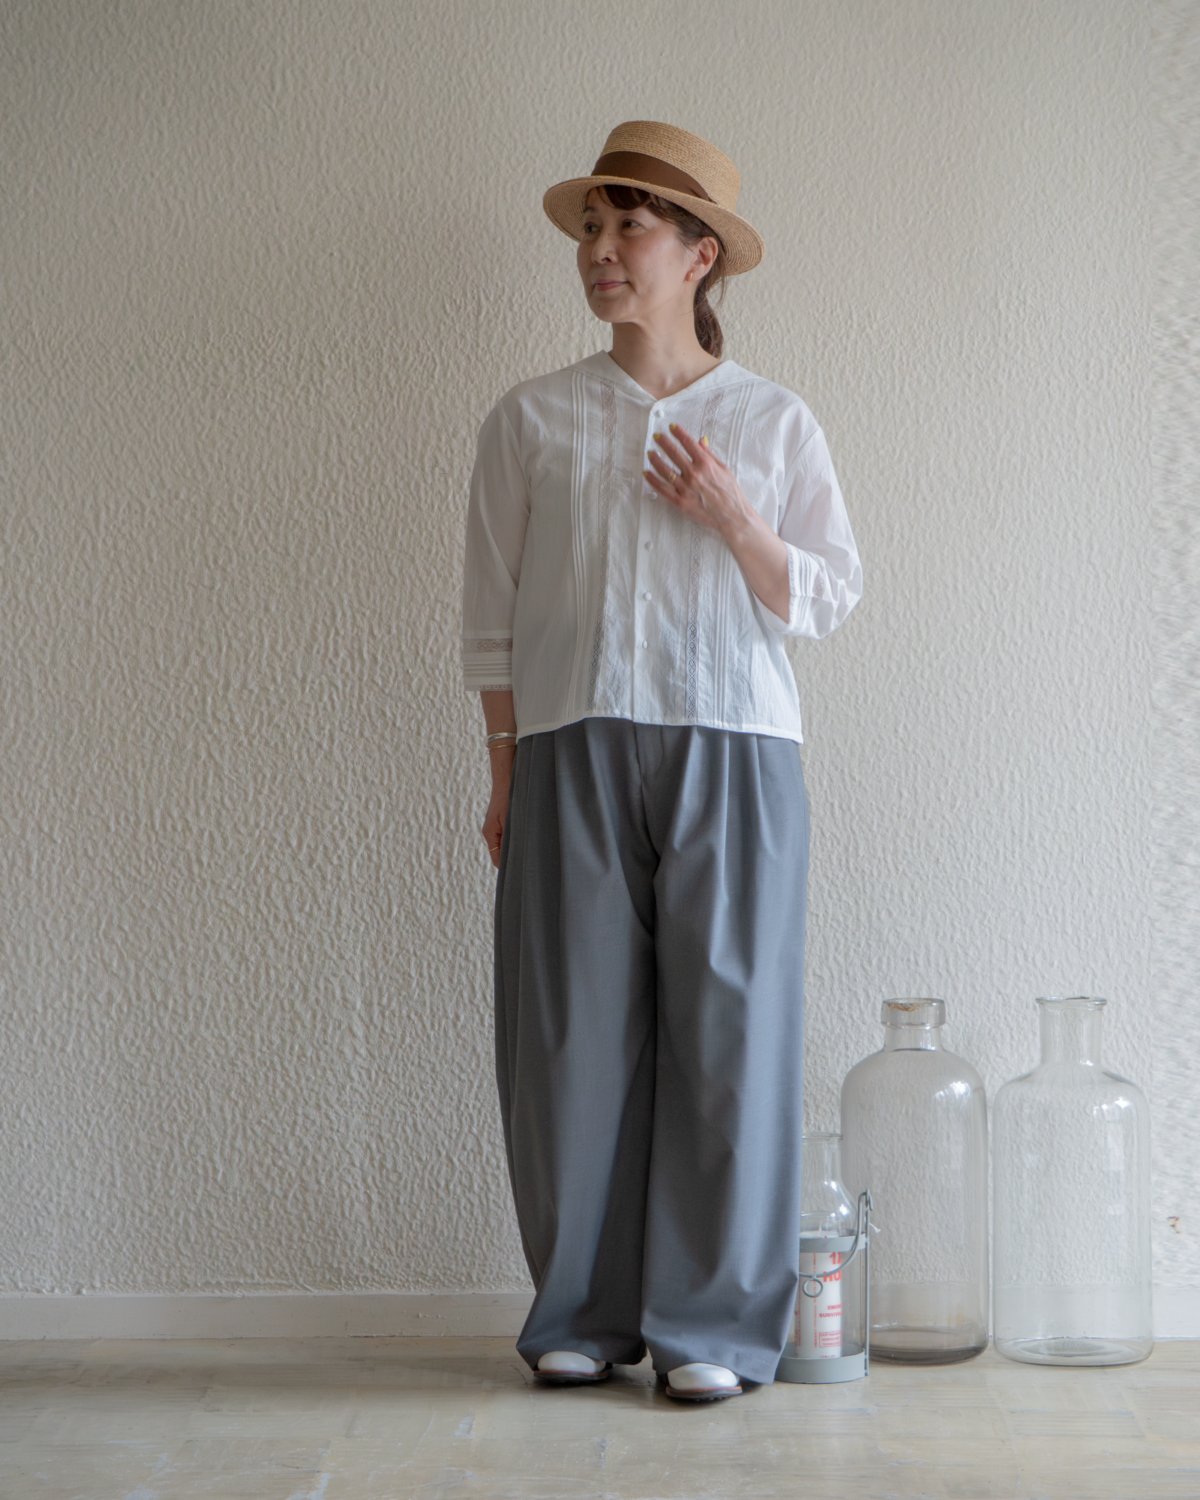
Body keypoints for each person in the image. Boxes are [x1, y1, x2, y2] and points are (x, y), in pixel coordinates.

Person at [461, 121, 861, 1401]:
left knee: (732, 1037)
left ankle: (716, 1331)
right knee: (568, 1039)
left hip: (736, 752)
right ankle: (581, 1313)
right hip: (568, 751)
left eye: (628, 225)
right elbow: (491, 618)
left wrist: (736, 517)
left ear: (700, 256)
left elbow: (828, 596)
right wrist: (505, 777)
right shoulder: (532, 420)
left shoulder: (773, 421)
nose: (600, 248)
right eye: (592, 225)